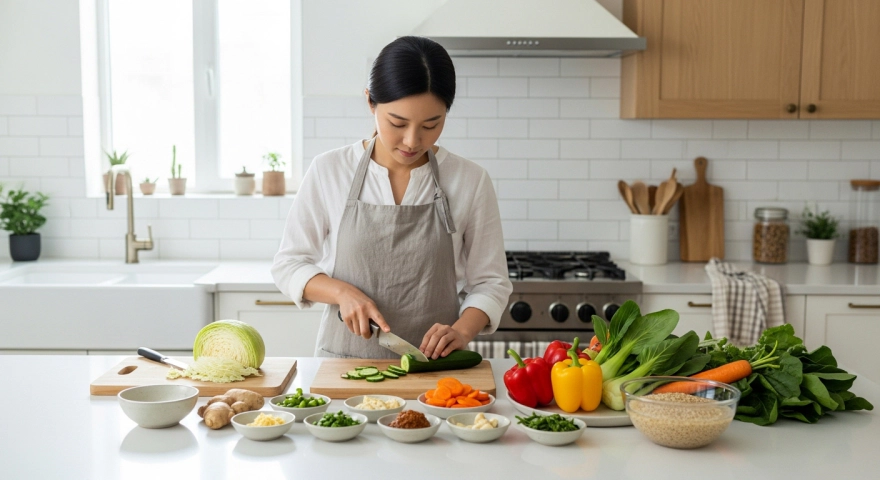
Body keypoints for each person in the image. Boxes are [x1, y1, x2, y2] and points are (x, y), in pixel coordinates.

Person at [271, 36, 511, 360]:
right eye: (397, 123)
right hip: (344, 367)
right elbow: (289, 264)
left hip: (434, 375)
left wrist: (462, 330)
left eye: (431, 124)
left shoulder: (470, 180)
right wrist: (341, 292)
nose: (412, 141)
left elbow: (491, 283)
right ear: (370, 102)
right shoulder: (330, 170)